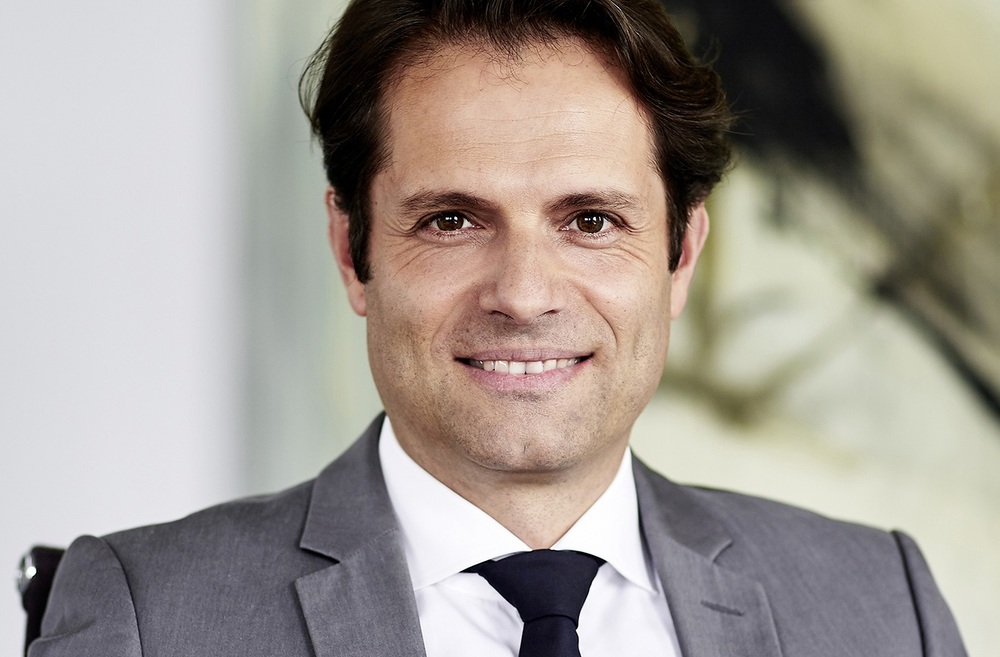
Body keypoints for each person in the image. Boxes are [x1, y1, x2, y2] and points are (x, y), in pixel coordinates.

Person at [31, 0, 967, 655]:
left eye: (590, 220)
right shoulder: (146, 616)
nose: (523, 294)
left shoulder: (882, 604)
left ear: (681, 254)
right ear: (353, 249)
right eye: (452, 220)